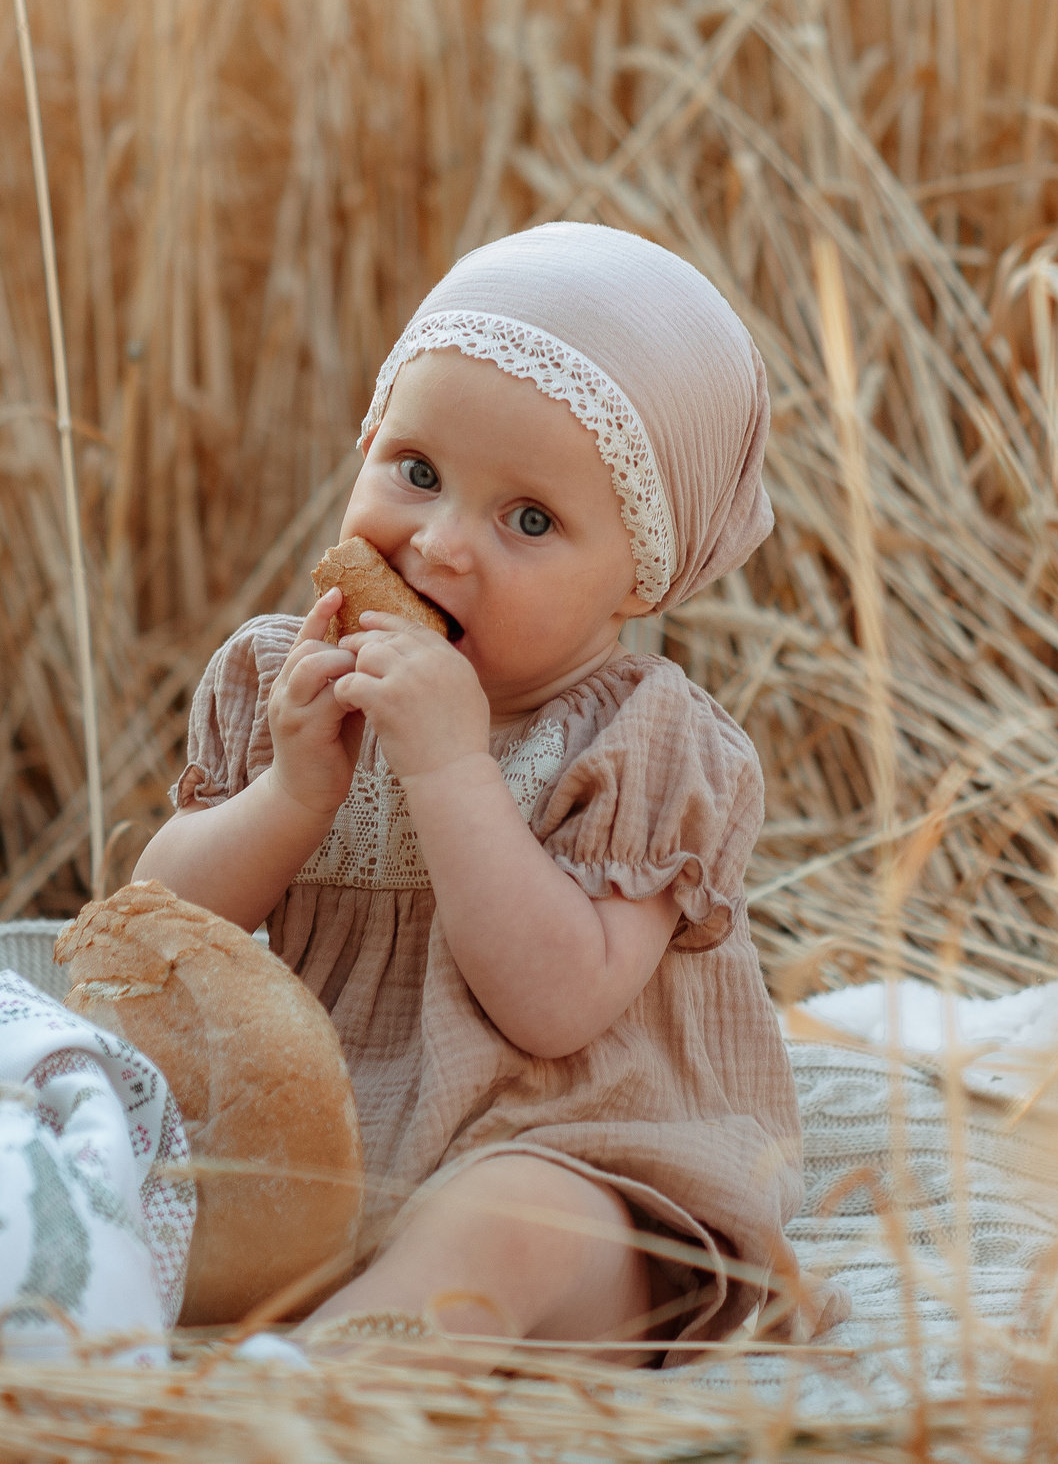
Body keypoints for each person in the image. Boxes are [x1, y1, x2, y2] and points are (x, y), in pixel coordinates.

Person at [131, 222, 826, 1364]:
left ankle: (322, 1386)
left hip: (580, 1157)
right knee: (124, 1150)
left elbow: (554, 1005)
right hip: (325, 1142)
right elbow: (159, 930)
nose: (441, 544)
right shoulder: (282, 676)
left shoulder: (646, 739)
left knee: (508, 1220)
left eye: (530, 520)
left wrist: (451, 768)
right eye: (416, 471)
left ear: (638, 581)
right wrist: (293, 791)